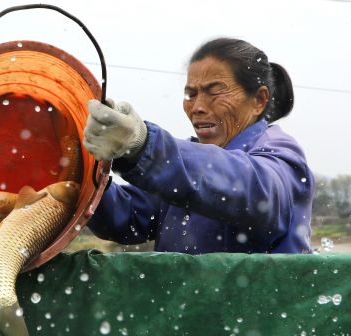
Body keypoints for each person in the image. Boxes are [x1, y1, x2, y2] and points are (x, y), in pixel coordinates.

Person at [83, 37, 314, 254]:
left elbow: (248, 189)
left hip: (263, 298)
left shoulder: (280, 154)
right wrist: (79, 173)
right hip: (187, 298)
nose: (197, 107)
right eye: (190, 94)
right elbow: (128, 218)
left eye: (215, 92)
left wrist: (144, 145)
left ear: (259, 100)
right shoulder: (181, 171)